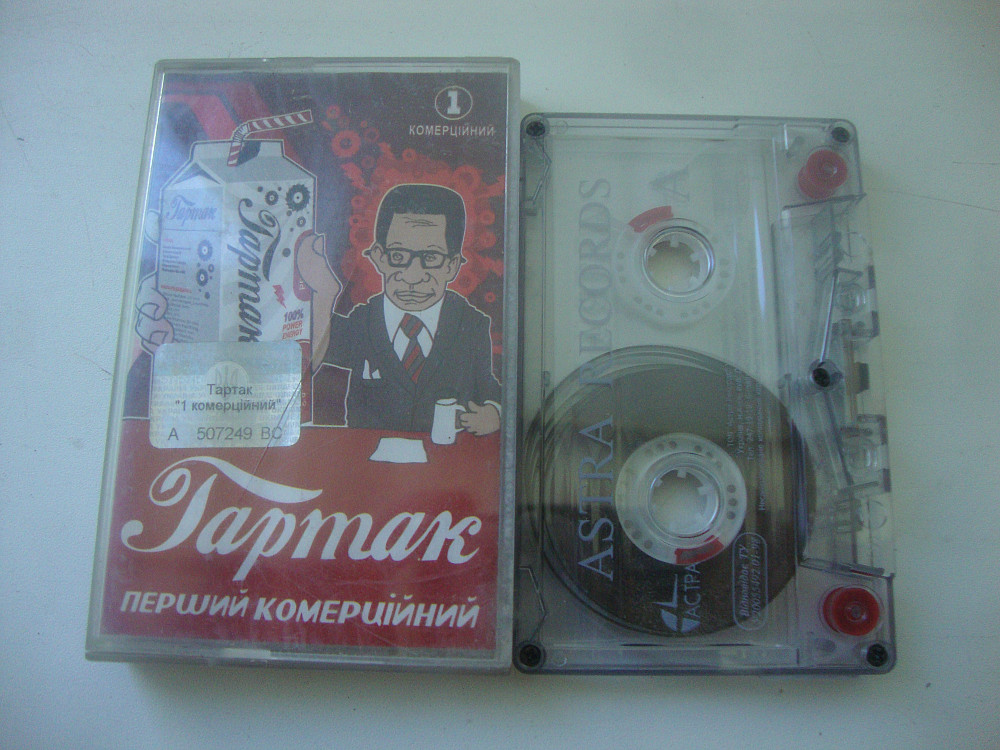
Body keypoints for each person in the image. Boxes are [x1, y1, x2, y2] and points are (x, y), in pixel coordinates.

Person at [296, 183, 501, 435]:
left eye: (431, 258)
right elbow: (311, 361)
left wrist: (494, 412)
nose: (412, 276)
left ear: (452, 265)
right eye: (398, 256)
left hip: (444, 455)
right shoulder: (363, 322)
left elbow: (488, 386)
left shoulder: (470, 325)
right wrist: (325, 294)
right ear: (379, 257)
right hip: (371, 458)